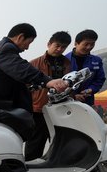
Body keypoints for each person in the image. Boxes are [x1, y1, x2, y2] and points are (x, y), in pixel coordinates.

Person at [0, 23, 69, 172]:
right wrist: (47, 81)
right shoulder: (6, 49)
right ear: (20, 37)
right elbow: (21, 69)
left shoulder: (2, 48)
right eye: (28, 43)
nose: (27, 47)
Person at [25, 31, 72, 161]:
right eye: (57, 45)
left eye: (63, 47)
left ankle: (58, 168)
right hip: (39, 109)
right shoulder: (34, 63)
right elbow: (25, 87)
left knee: (60, 141)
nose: (59, 49)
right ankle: (31, 169)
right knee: (35, 143)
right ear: (49, 44)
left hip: (61, 108)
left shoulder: (67, 63)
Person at [64, 29, 106, 106]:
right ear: (76, 43)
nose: (89, 47)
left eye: (92, 44)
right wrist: (72, 95)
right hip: (67, 102)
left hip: (87, 101)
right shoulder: (64, 60)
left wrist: (90, 89)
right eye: (86, 44)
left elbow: (100, 79)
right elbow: (59, 82)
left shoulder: (97, 60)